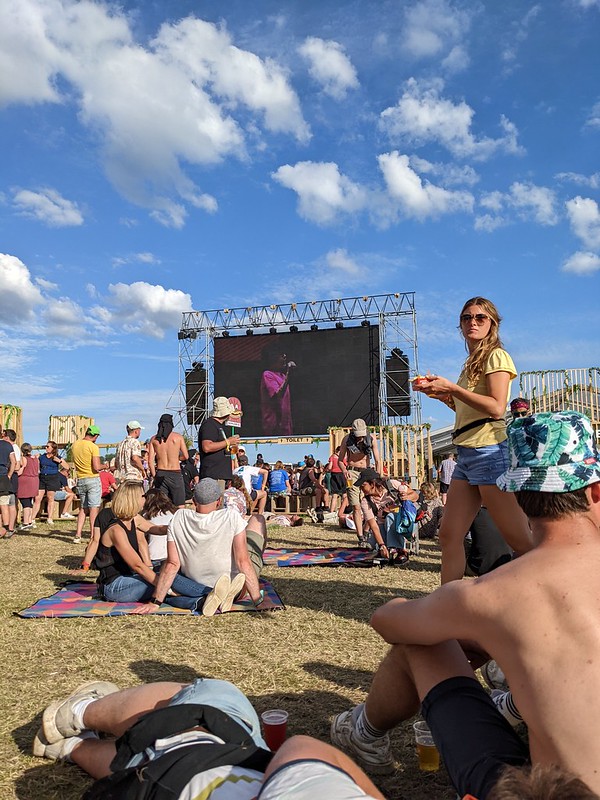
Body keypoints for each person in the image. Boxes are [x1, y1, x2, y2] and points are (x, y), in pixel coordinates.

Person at [331, 410, 600, 799]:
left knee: (425, 642)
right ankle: (512, 703)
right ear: (595, 491)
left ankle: (363, 732)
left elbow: (387, 621)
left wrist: (471, 626)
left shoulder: (491, 593)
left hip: (549, 790)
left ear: (518, 500)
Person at [33, 678, 386, 800]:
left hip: (190, 776)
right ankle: (71, 747)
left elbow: (300, 748)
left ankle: (77, 713)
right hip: (140, 788)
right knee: (148, 768)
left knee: (214, 699)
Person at [413, 297, 532, 583]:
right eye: (467, 318)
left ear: (493, 323)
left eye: (480, 317)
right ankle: (447, 605)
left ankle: (542, 599)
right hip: (467, 452)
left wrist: (452, 387)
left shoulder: (496, 356)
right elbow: (468, 409)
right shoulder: (471, 364)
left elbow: (495, 407)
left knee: (521, 542)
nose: (473, 322)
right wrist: (443, 396)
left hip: (490, 451)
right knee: (448, 535)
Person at [94, 481, 232, 616]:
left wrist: (182, 527)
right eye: (143, 496)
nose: (146, 499)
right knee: (165, 579)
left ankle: (200, 602)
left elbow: (157, 529)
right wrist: (164, 586)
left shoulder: (134, 519)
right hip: (114, 586)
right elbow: (138, 566)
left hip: (130, 577)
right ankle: (212, 593)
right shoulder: (116, 530)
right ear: (132, 499)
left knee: (165, 581)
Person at [135, 478, 266, 612]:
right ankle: (227, 592)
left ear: (194, 501)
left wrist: (155, 602)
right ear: (219, 501)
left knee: (166, 579)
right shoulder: (231, 516)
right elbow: (242, 561)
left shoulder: (179, 518)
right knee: (258, 519)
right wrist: (258, 601)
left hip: (195, 585)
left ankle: (205, 598)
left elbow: (172, 564)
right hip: (237, 586)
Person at [355, 470, 418, 563]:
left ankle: (400, 551)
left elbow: (415, 496)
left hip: (402, 523)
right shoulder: (366, 501)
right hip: (382, 525)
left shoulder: (391, 485)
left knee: (390, 517)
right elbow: (373, 525)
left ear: (372, 483)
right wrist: (381, 545)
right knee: (371, 546)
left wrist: (406, 497)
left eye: (363, 485)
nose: (361, 489)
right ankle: (388, 549)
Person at [338, 420, 382, 546]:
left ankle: (367, 529)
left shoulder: (371, 439)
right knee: (356, 506)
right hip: (352, 473)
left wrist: (377, 477)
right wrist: (344, 470)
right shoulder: (346, 439)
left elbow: (378, 460)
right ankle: (360, 536)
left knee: (372, 504)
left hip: (367, 473)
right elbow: (340, 460)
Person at [147, 414, 188, 508]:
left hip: (161, 473)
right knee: (180, 505)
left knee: (162, 505)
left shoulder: (154, 439)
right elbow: (186, 456)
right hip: (175, 473)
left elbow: (150, 461)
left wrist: (155, 476)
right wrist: (176, 458)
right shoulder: (178, 437)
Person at [71, 426, 103, 545]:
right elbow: (96, 467)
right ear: (95, 436)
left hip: (81, 479)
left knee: (83, 509)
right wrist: (106, 466)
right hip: (92, 479)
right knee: (94, 508)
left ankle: (77, 535)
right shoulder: (93, 447)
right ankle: (93, 536)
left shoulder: (75, 445)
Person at [198, 397, 239, 486]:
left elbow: (220, 447)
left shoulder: (219, 426)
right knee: (214, 500)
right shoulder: (209, 425)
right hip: (213, 476)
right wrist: (228, 442)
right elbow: (207, 447)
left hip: (220, 476)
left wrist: (231, 446)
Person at [32, 440, 70, 528]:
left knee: (50, 498)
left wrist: (59, 461)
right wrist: (35, 458)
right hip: (42, 478)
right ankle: (32, 519)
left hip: (52, 478)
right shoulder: (42, 457)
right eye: (46, 446)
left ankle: (49, 518)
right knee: (38, 498)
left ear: (53, 448)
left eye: (48, 446)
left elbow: (67, 467)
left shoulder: (57, 457)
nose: (46, 448)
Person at [260, 342, 295, 435]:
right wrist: (288, 374)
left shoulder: (282, 376)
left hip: (286, 426)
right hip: (274, 427)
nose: (284, 356)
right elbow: (278, 395)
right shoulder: (267, 374)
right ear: (273, 358)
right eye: (281, 354)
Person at [16, 442, 40, 530]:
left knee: (25, 502)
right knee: (29, 502)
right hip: (34, 481)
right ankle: (29, 521)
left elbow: (21, 471)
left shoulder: (24, 459)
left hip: (25, 481)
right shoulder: (36, 459)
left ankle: (25, 522)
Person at [0, 429, 17, 538]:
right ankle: (6, 528)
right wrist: (9, 475)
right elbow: (14, 462)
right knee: (4, 503)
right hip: (3, 476)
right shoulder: (7, 445)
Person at [326, 446, 346, 512]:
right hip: (342, 475)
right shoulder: (343, 457)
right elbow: (346, 465)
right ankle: (344, 510)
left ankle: (331, 511)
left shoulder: (332, 457)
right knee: (344, 494)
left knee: (334, 495)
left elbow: (329, 467)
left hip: (334, 475)